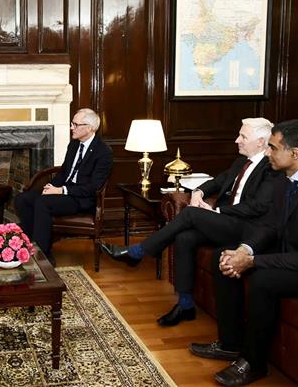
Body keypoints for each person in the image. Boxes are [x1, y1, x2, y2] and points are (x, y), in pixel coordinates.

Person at [189, 120, 298, 386]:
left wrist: (252, 261)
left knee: (263, 280)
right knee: (223, 256)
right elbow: (270, 225)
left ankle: (254, 363)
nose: (268, 153)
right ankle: (230, 344)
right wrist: (242, 249)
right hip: (296, 253)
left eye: (273, 148)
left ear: (294, 153)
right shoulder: (287, 179)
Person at [102, 118, 278, 326]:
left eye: (243, 137)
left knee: (190, 214)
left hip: (246, 228)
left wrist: (215, 209)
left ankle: (138, 252)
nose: (236, 140)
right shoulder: (242, 161)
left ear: (260, 142)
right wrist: (199, 191)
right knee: (185, 237)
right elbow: (218, 181)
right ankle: (185, 305)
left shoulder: (271, 167)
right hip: (226, 222)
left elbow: (257, 207)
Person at [14, 108, 113, 265]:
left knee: (42, 202)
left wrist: (61, 190)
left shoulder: (103, 152)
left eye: (75, 124)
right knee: (23, 199)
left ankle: (43, 255)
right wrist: (51, 186)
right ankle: (29, 244)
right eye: (71, 123)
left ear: (89, 128)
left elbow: (93, 187)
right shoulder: (74, 145)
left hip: (81, 199)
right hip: (64, 192)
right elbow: (64, 172)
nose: (71, 127)